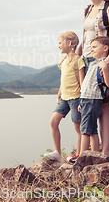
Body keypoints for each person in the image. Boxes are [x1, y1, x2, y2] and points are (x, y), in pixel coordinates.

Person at [76, 0, 109, 161]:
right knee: (96, 104)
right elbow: (85, 35)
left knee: (104, 105)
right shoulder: (88, 9)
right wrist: (77, 55)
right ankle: (108, 146)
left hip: (102, 58)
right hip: (87, 59)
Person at [43, 31, 85, 161]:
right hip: (64, 98)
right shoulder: (63, 61)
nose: (58, 46)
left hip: (75, 98)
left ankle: (79, 154)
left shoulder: (78, 60)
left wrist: (82, 100)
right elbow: (63, 80)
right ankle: (57, 152)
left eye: (60, 43)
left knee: (78, 127)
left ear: (69, 43)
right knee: (53, 122)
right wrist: (58, 95)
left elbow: (82, 83)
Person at [77, 36, 109, 162]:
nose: (91, 50)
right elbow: (86, 85)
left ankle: (82, 157)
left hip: (93, 99)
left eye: (94, 47)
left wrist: (104, 68)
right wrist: (81, 102)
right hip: (86, 99)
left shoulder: (106, 64)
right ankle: (95, 155)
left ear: (105, 48)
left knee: (85, 130)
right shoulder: (93, 63)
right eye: (91, 47)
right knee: (92, 130)